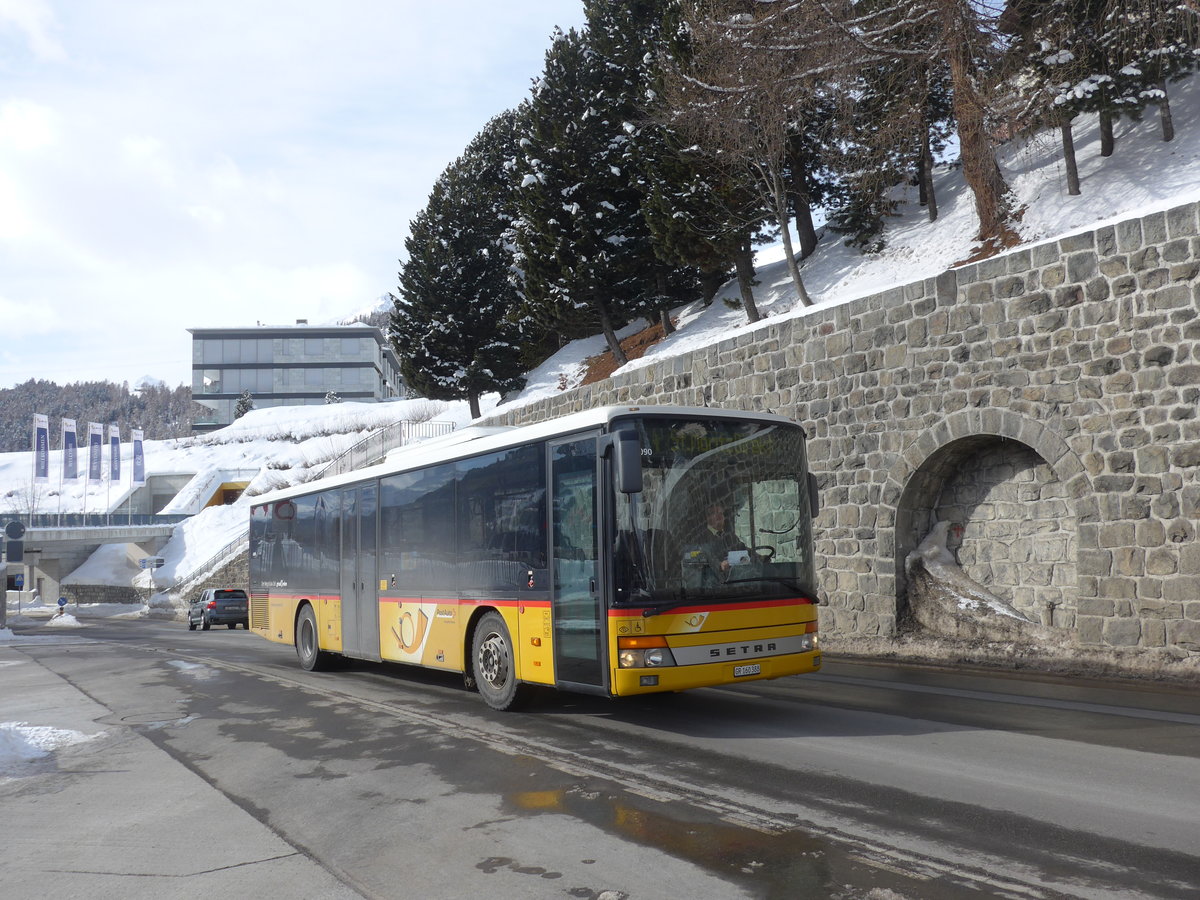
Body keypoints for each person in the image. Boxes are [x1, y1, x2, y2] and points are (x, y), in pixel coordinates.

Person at [693, 503, 749, 579]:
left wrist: (759, 557)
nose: (719, 516)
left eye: (721, 513)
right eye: (714, 513)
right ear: (707, 517)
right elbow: (705, 555)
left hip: (734, 578)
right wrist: (719, 565)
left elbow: (742, 548)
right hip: (712, 581)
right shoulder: (701, 537)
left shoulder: (729, 536)